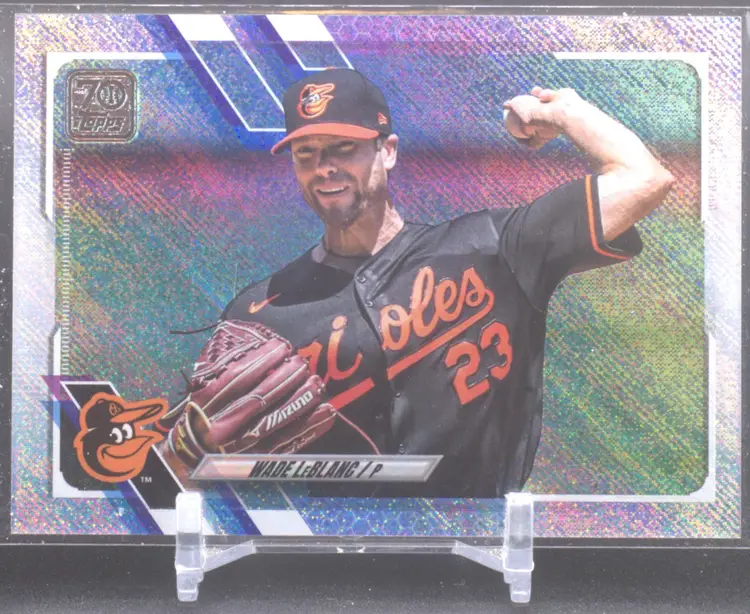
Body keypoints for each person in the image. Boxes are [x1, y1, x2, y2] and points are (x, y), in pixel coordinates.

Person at [162, 68, 674, 498]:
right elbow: (181, 483)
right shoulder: (261, 312)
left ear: (388, 151)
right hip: (327, 559)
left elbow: (645, 178)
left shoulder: (494, 249)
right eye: (306, 154)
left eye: (343, 147)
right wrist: (187, 457)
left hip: (475, 546)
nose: (324, 168)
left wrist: (564, 114)